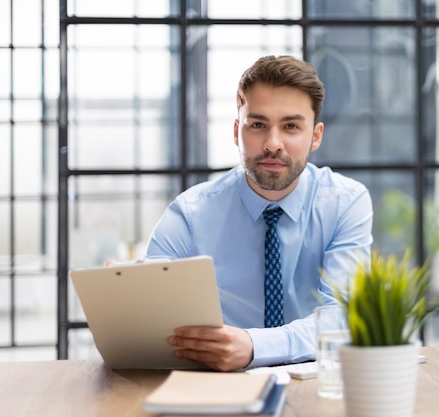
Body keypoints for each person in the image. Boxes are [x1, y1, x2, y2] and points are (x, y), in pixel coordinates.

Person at [145, 55, 373, 371]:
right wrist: (130, 295)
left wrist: (254, 346)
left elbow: (344, 318)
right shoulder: (190, 213)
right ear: (237, 130)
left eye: (291, 126)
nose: (272, 143)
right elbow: (149, 315)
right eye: (258, 125)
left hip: (315, 385)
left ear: (316, 136)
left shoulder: (345, 203)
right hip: (215, 385)